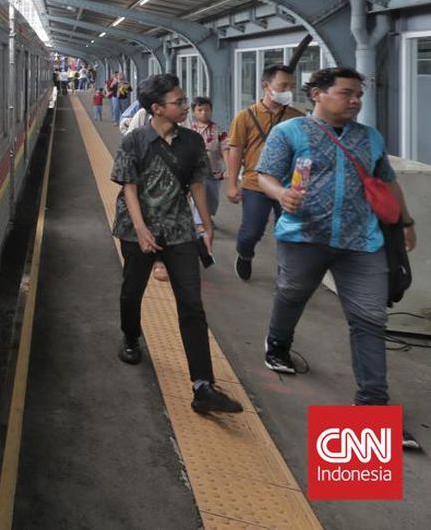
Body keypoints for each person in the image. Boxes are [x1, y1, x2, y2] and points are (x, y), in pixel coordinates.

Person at [255, 67, 420, 450]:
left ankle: (372, 407)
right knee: (292, 292)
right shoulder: (289, 133)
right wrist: (280, 195)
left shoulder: (370, 138)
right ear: (317, 94)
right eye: (346, 93)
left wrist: (405, 221)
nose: (355, 100)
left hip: (361, 241)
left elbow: (387, 181)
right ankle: (277, 343)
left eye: (358, 94)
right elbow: (264, 174)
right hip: (303, 237)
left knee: (370, 319)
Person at [110, 73, 242, 414]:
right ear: (157, 108)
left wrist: (206, 225)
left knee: (192, 304)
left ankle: (203, 386)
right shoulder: (135, 141)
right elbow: (129, 187)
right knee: (132, 288)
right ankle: (130, 336)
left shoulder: (192, 142)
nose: (185, 106)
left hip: (179, 229)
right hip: (136, 228)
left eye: (184, 101)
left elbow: (197, 183)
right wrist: (140, 228)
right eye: (179, 102)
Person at [225, 65, 304, 281]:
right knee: (252, 231)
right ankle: (245, 254)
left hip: (288, 186)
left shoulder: (297, 117)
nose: (289, 90)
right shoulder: (245, 116)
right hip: (254, 183)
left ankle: (285, 273)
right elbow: (235, 150)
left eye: (291, 86)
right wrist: (232, 184)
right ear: (266, 86)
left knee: (288, 232)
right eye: (283, 85)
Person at [186, 97, 228, 220]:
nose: (204, 113)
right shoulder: (189, 130)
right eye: (200, 110)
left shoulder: (217, 130)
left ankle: (207, 217)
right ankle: (200, 221)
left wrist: (228, 168)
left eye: (207, 110)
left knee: (212, 197)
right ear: (193, 112)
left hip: (214, 172)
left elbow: (225, 148)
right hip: (195, 172)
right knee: (198, 195)